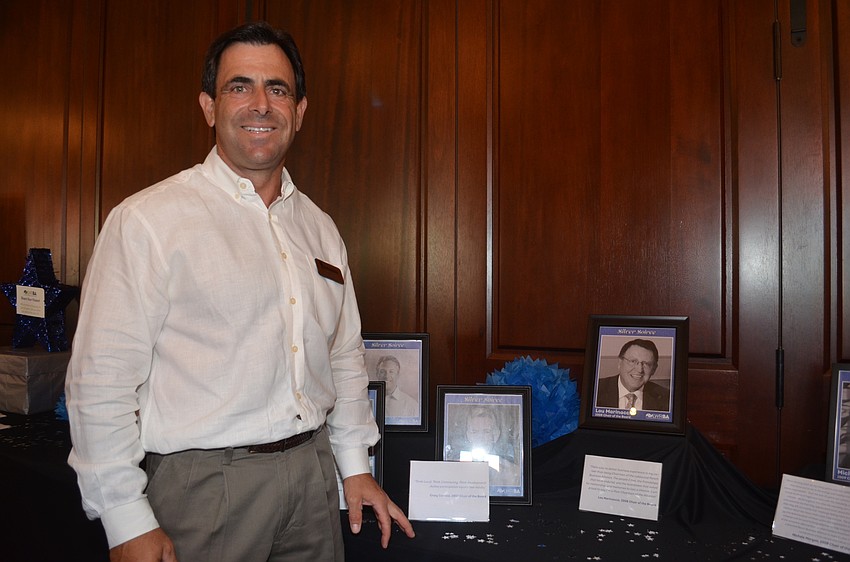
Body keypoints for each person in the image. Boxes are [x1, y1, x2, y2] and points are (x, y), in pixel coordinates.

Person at [65, 21, 414, 561]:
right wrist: (123, 518)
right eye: (239, 86)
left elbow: (342, 358)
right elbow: (100, 381)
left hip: (314, 481)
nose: (260, 104)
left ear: (299, 111)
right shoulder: (147, 221)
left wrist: (356, 466)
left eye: (277, 89)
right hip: (202, 491)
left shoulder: (321, 228)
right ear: (209, 106)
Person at [595, 338, 670, 412]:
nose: (639, 369)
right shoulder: (596, 390)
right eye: (633, 361)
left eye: (646, 364)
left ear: (654, 369)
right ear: (620, 363)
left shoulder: (666, 398)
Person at [454, 406, 521, 487]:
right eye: (474, 432)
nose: (480, 438)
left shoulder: (512, 472)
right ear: (468, 435)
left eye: (486, 431)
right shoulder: (455, 468)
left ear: (496, 435)